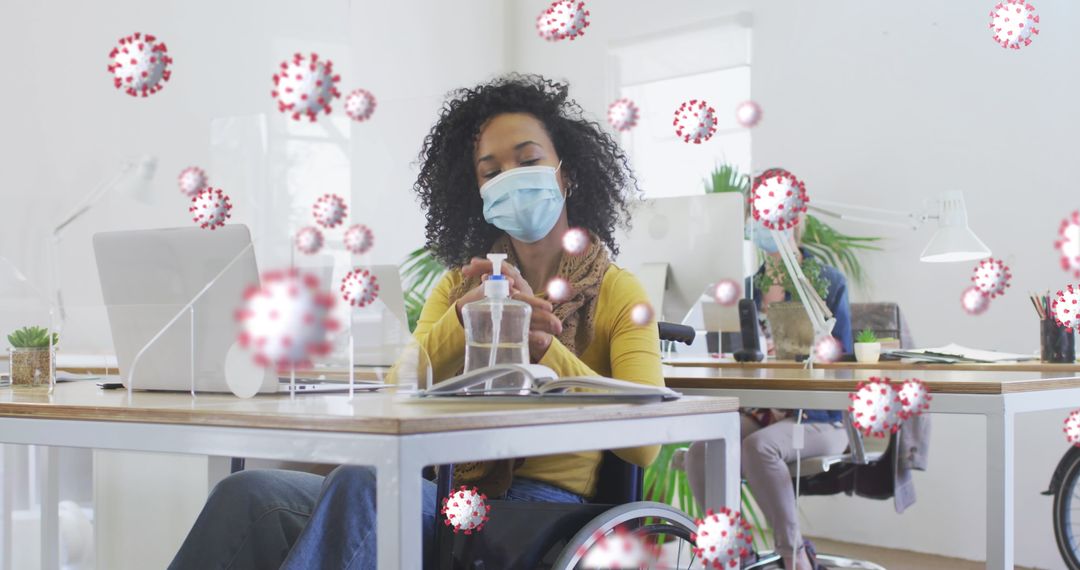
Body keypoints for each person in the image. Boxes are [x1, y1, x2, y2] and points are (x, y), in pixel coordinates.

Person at [169, 74, 663, 570]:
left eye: (529, 160)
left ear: (566, 173)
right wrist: (465, 323)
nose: (510, 177)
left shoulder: (618, 292)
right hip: (445, 491)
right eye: (491, 172)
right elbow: (395, 393)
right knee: (249, 492)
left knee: (368, 486)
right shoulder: (458, 288)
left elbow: (645, 445)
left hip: (540, 512)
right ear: (477, 191)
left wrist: (538, 350)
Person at [686, 179, 853, 570]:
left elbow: (841, 361)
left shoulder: (827, 283)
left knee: (760, 448)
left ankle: (795, 554)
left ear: (797, 217)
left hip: (819, 419)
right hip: (762, 413)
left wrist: (798, 279)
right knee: (700, 452)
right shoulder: (748, 288)